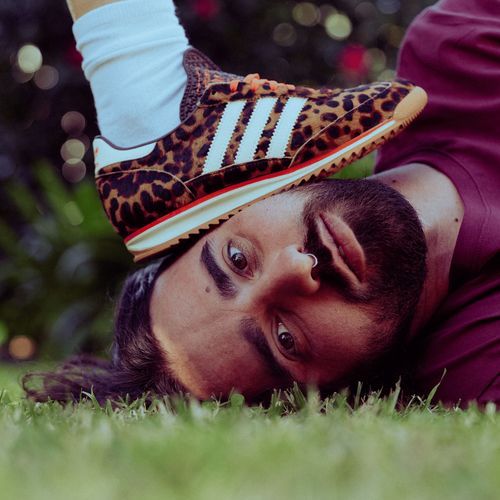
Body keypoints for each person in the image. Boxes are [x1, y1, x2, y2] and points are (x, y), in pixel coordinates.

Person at [24, 0, 499, 407]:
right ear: (334, 393)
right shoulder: (479, 372)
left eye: (237, 259)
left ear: (236, 189)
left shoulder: (458, 49)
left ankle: (151, 101)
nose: (295, 268)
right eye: (286, 339)